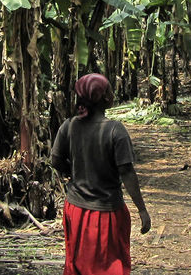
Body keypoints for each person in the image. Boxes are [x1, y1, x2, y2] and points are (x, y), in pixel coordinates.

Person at [51, 73, 152, 275]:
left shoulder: (68, 126)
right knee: (109, 267)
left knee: (78, 265)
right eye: (109, 90)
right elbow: (127, 172)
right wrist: (142, 209)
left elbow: (55, 160)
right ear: (105, 98)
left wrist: (74, 173)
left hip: (75, 209)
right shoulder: (115, 130)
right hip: (107, 213)